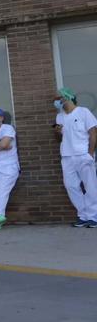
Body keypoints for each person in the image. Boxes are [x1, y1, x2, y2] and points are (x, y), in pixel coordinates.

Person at [53, 88, 97, 228]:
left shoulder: (83, 112)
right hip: (66, 156)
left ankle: (93, 216)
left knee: (90, 186)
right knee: (71, 186)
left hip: (83, 154)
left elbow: (93, 133)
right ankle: (83, 215)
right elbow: (59, 138)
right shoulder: (59, 117)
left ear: (67, 97)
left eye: (58, 98)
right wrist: (57, 132)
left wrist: (90, 153)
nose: (56, 101)